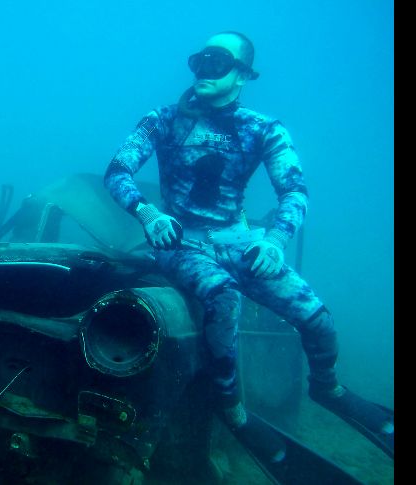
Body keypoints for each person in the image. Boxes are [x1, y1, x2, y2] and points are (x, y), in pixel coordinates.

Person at [103, 31, 393, 466]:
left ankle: (328, 387)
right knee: (223, 295)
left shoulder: (263, 128)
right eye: (199, 60)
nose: (203, 70)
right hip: (180, 240)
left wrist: (275, 240)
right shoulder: (161, 119)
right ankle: (231, 408)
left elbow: (294, 191)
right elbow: (117, 170)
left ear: (243, 74)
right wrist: (149, 214)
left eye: (216, 61)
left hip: (242, 242)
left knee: (317, 318)